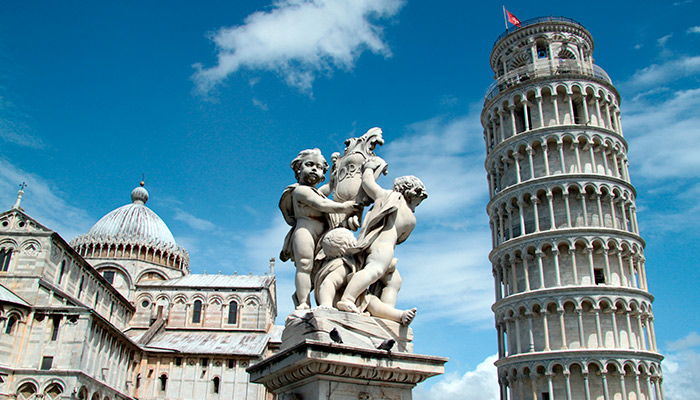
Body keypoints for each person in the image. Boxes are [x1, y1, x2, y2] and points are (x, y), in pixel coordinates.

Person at [336, 157, 427, 314]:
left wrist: (369, 168)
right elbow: (401, 238)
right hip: (384, 247)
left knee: (394, 281)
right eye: (418, 202)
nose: (416, 206)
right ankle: (348, 298)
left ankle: (386, 313)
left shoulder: (387, 197)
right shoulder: (408, 216)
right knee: (375, 270)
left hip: (379, 246)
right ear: (412, 193)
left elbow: (368, 182)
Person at [279, 149, 359, 310]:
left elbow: (323, 193)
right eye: (310, 165)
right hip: (305, 231)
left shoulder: (315, 192)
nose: (314, 169)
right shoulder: (300, 190)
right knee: (304, 266)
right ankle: (303, 302)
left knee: (317, 269)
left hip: (322, 235)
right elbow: (321, 203)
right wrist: (344, 207)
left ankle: (313, 296)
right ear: (298, 169)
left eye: (319, 167)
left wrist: (333, 182)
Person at [315, 227, 417, 326]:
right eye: (352, 238)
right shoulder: (341, 265)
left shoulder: (353, 261)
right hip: (338, 302)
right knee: (372, 302)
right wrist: (326, 304)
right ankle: (399, 316)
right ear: (347, 244)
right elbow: (328, 283)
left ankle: (400, 316)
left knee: (372, 300)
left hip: (355, 300)